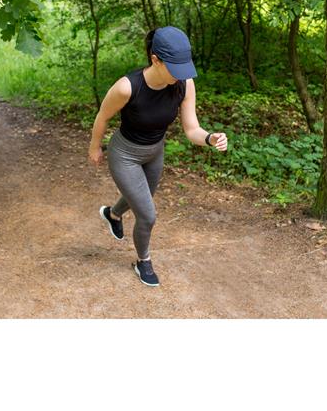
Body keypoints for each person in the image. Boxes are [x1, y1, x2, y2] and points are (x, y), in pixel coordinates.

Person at [88, 26, 228, 287]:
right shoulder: (127, 87)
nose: (181, 74)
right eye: (175, 68)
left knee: (140, 198)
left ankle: (112, 214)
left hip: (155, 152)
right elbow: (102, 116)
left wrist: (210, 138)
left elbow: (192, 129)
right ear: (155, 59)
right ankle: (143, 261)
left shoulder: (184, 84)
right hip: (125, 155)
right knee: (147, 215)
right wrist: (94, 147)